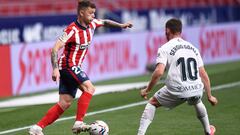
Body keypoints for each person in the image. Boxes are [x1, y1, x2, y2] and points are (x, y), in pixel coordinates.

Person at [29, 1, 132, 135]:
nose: (93, 16)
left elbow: (105, 22)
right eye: (90, 13)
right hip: (67, 65)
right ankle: (78, 123)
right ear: (81, 13)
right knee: (90, 88)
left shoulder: (93, 24)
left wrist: (121, 25)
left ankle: (37, 128)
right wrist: (54, 69)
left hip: (72, 67)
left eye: (94, 13)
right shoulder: (71, 30)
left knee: (64, 103)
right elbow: (55, 49)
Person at [137, 18, 218, 135]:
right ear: (180, 31)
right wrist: (210, 96)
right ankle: (207, 130)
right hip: (196, 88)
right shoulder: (193, 48)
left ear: (167, 31)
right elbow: (203, 73)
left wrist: (147, 89)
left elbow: (159, 72)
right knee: (196, 99)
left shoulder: (165, 48)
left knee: (152, 103)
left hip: (178, 89)